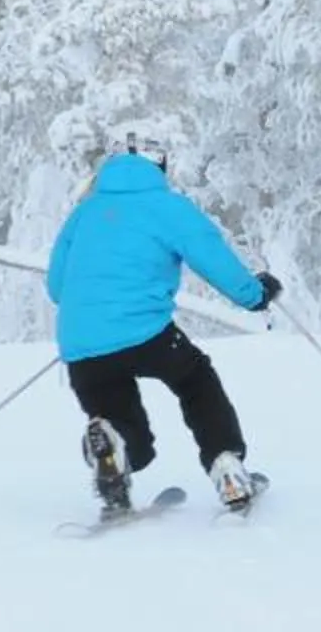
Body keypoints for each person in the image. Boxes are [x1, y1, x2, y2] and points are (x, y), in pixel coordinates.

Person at [44, 138, 280, 517]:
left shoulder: (83, 213)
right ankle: (226, 465)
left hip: (81, 343)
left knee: (122, 426)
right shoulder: (167, 206)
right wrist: (255, 295)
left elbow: (57, 288)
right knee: (195, 380)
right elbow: (210, 255)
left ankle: (115, 454)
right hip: (146, 334)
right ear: (160, 167)